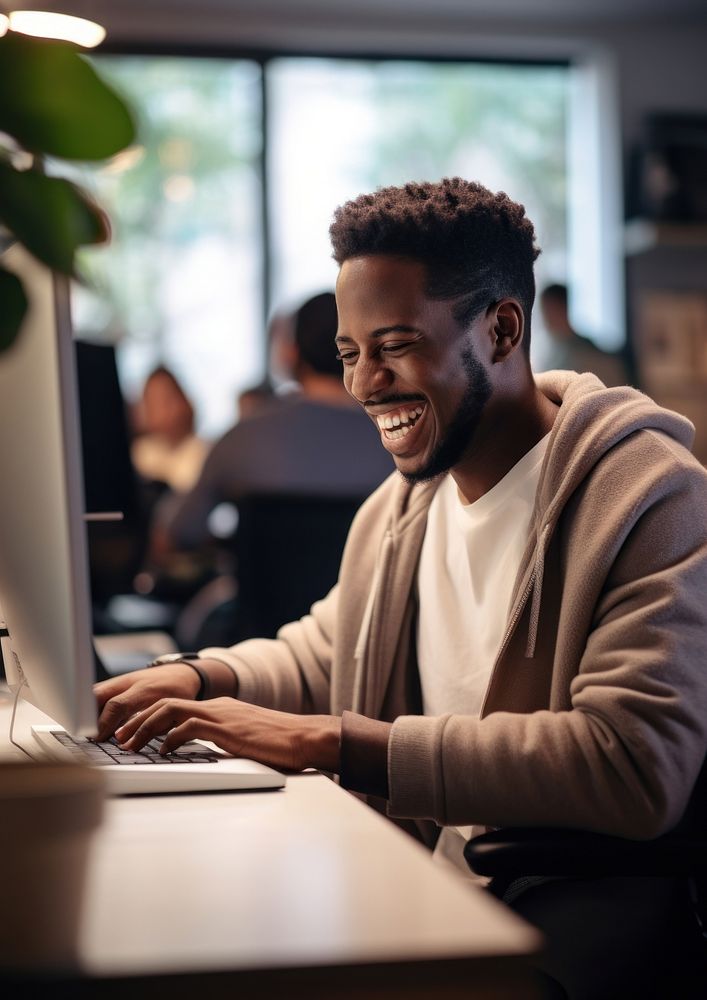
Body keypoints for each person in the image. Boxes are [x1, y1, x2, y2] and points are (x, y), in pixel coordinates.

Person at [95, 179, 707, 998]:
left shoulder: (645, 495)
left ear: (499, 329)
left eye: (393, 344)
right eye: (349, 353)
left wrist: (329, 744)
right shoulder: (403, 506)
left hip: (543, 917)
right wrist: (204, 677)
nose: (363, 384)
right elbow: (323, 649)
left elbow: (631, 764)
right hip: (417, 882)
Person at [164, 291, 394, 551]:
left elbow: (181, 531)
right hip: (371, 592)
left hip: (257, 591)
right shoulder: (396, 444)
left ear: (292, 353)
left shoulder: (243, 439)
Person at [131, 365, 209, 494]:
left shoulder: (201, 452)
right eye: (152, 402)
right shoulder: (140, 453)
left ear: (183, 400)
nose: (162, 410)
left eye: (166, 400)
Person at [539, 282, 628, 387]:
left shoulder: (588, 355)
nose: (545, 319)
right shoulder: (556, 352)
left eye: (547, 311)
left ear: (558, 308)